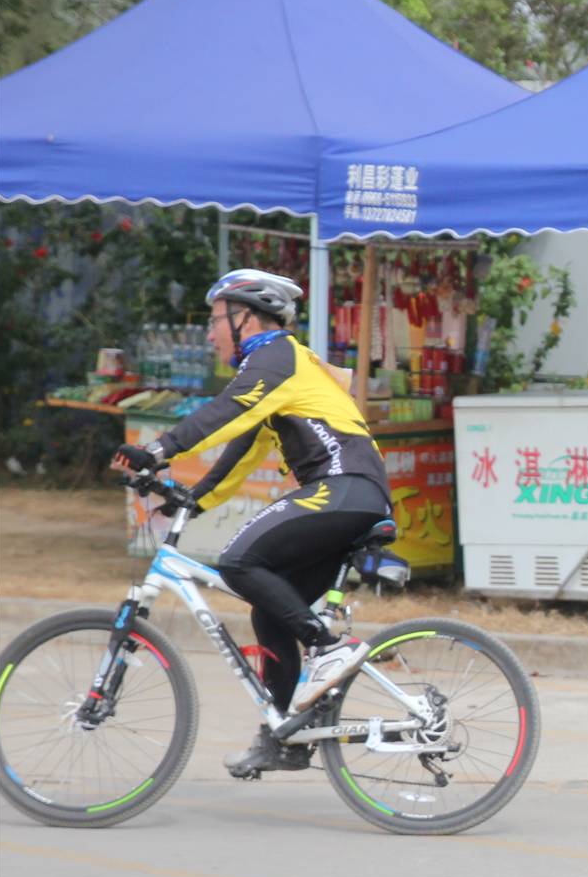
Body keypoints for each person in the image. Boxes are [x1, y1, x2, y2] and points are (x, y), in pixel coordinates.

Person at [111, 269, 393, 778]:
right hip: (350, 493)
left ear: (246, 317)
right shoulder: (276, 371)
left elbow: (225, 410)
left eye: (215, 321)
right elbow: (241, 448)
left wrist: (157, 449)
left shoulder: (277, 355)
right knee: (270, 611)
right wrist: (192, 501)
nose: (210, 334)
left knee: (239, 561)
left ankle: (328, 649)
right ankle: (284, 738)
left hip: (343, 486)